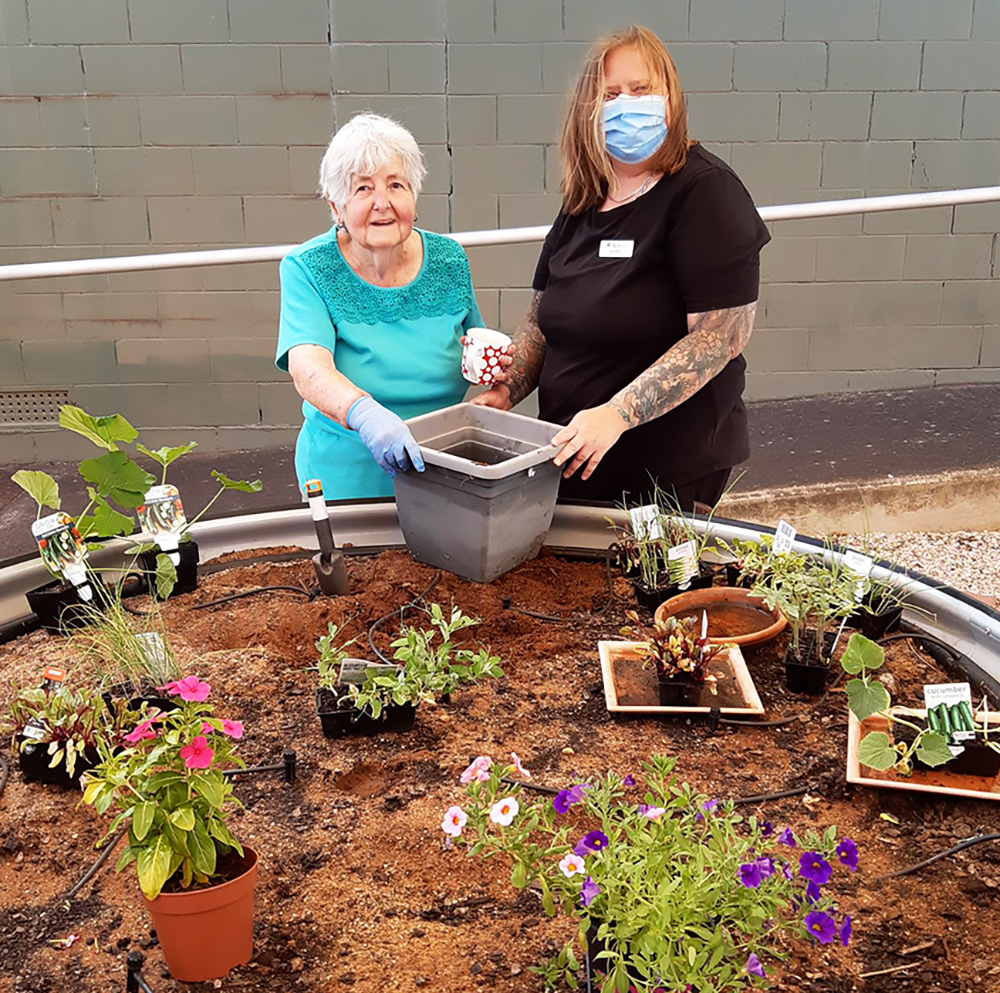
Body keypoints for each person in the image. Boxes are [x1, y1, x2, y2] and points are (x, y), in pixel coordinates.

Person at [474, 25, 770, 509]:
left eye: (641, 89)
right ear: (589, 111)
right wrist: (506, 390)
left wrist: (618, 413)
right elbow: (542, 319)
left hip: (667, 474)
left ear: (670, 99)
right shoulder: (586, 199)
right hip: (575, 461)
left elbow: (720, 338)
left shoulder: (705, 192)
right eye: (610, 94)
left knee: (655, 585)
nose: (627, 103)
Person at [275, 113, 484, 499]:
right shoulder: (308, 268)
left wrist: (497, 373)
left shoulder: (449, 259)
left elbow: (476, 349)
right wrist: (364, 414)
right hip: (348, 479)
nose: (382, 203)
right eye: (363, 189)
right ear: (336, 207)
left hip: (442, 472)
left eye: (395, 185)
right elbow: (308, 368)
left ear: (414, 197)